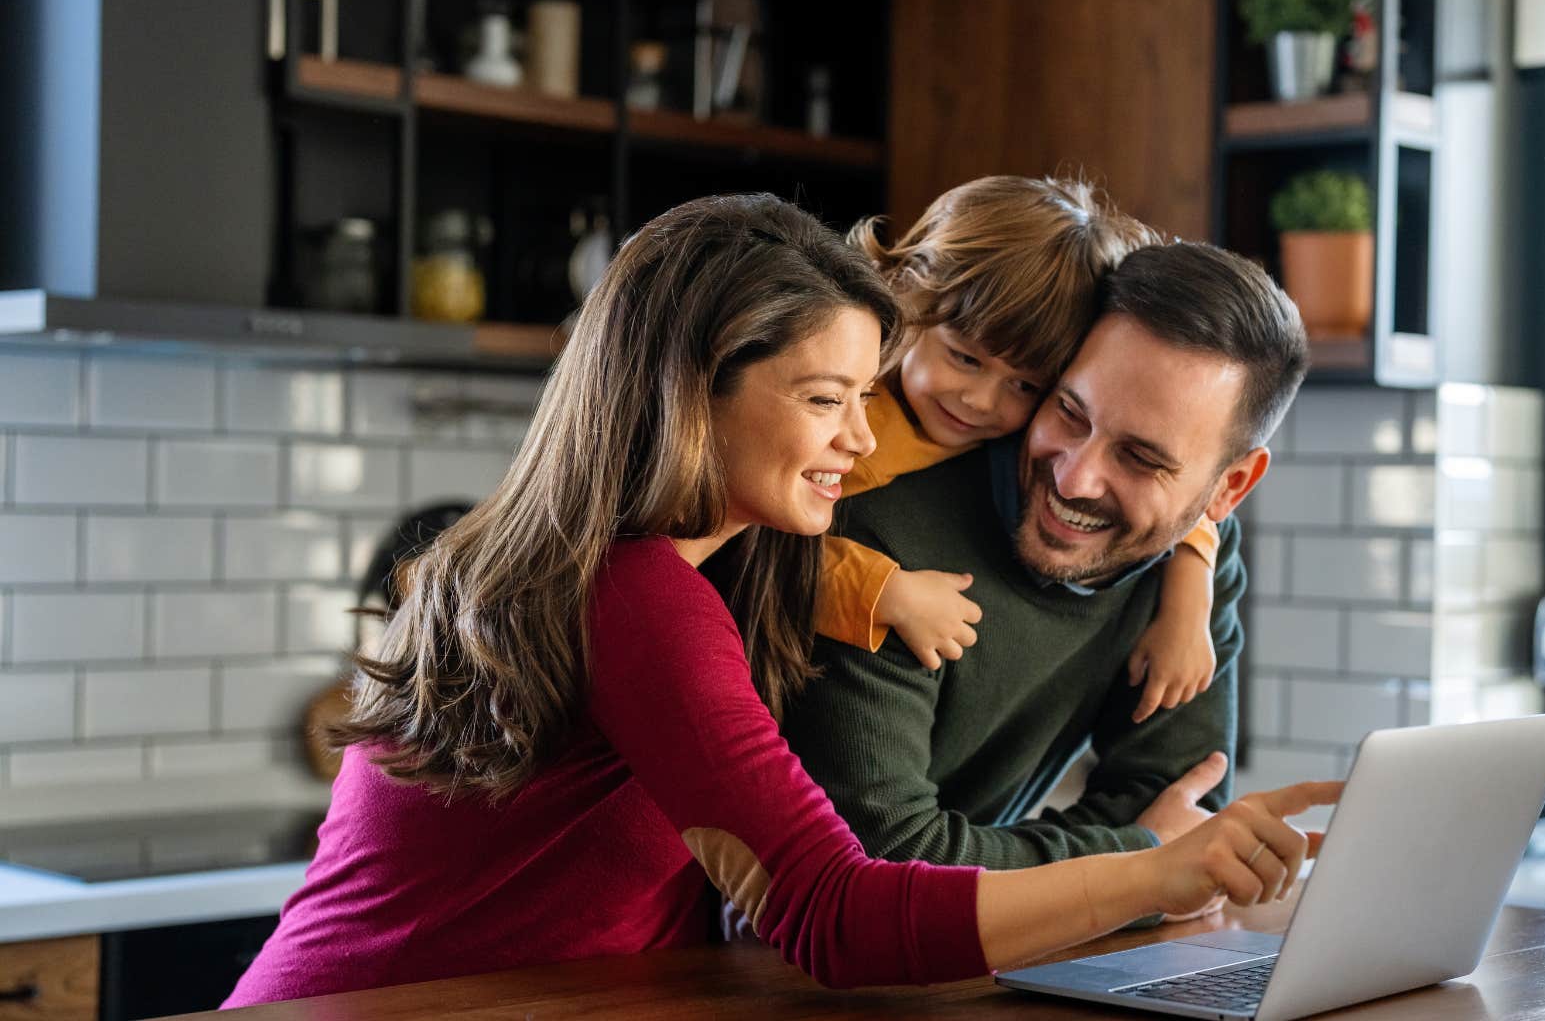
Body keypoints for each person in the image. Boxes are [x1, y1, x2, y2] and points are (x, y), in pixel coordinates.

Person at [222, 194, 1339, 1007]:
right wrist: (1153, 871)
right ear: (694, 394)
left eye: (866, 394)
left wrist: (1193, 541)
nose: (863, 442)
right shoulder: (635, 594)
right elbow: (833, 913)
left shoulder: (715, 570)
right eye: (824, 398)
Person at [784, 240, 1312, 876]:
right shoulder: (881, 547)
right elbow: (891, 860)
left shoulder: (1185, 569)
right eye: (1068, 410)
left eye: (1141, 459)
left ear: (1226, 490)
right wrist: (1141, 863)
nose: (1076, 478)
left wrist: (1148, 850)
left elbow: (1176, 801)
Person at [818, 175, 1222, 722]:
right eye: (965, 357)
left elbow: (1180, 496)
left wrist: (1188, 605)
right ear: (909, 288)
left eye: (1026, 385)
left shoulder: (1025, 435)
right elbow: (743, 546)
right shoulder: (836, 404)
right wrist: (884, 593)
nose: (980, 402)